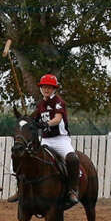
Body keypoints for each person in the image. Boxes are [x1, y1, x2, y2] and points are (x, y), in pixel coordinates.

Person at [31, 73, 81, 209]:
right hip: (46, 140)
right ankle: (23, 190)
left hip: (60, 139)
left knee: (72, 159)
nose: (46, 90)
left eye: (49, 87)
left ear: (54, 89)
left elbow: (58, 119)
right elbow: (33, 120)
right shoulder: (40, 104)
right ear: (41, 88)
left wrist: (47, 124)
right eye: (44, 87)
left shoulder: (58, 102)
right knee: (28, 157)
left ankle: (72, 190)